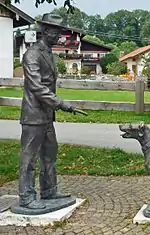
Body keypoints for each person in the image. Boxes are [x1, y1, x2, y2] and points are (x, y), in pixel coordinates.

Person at [19, 13, 86, 209]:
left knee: (50, 154)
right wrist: (61, 103)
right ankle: (26, 197)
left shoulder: (48, 53)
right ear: (46, 31)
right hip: (33, 116)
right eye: (57, 32)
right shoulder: (32, 54)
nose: (60, 37)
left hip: (46, 115)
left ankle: (49, 191)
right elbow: (37, 87)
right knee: (29, 158)